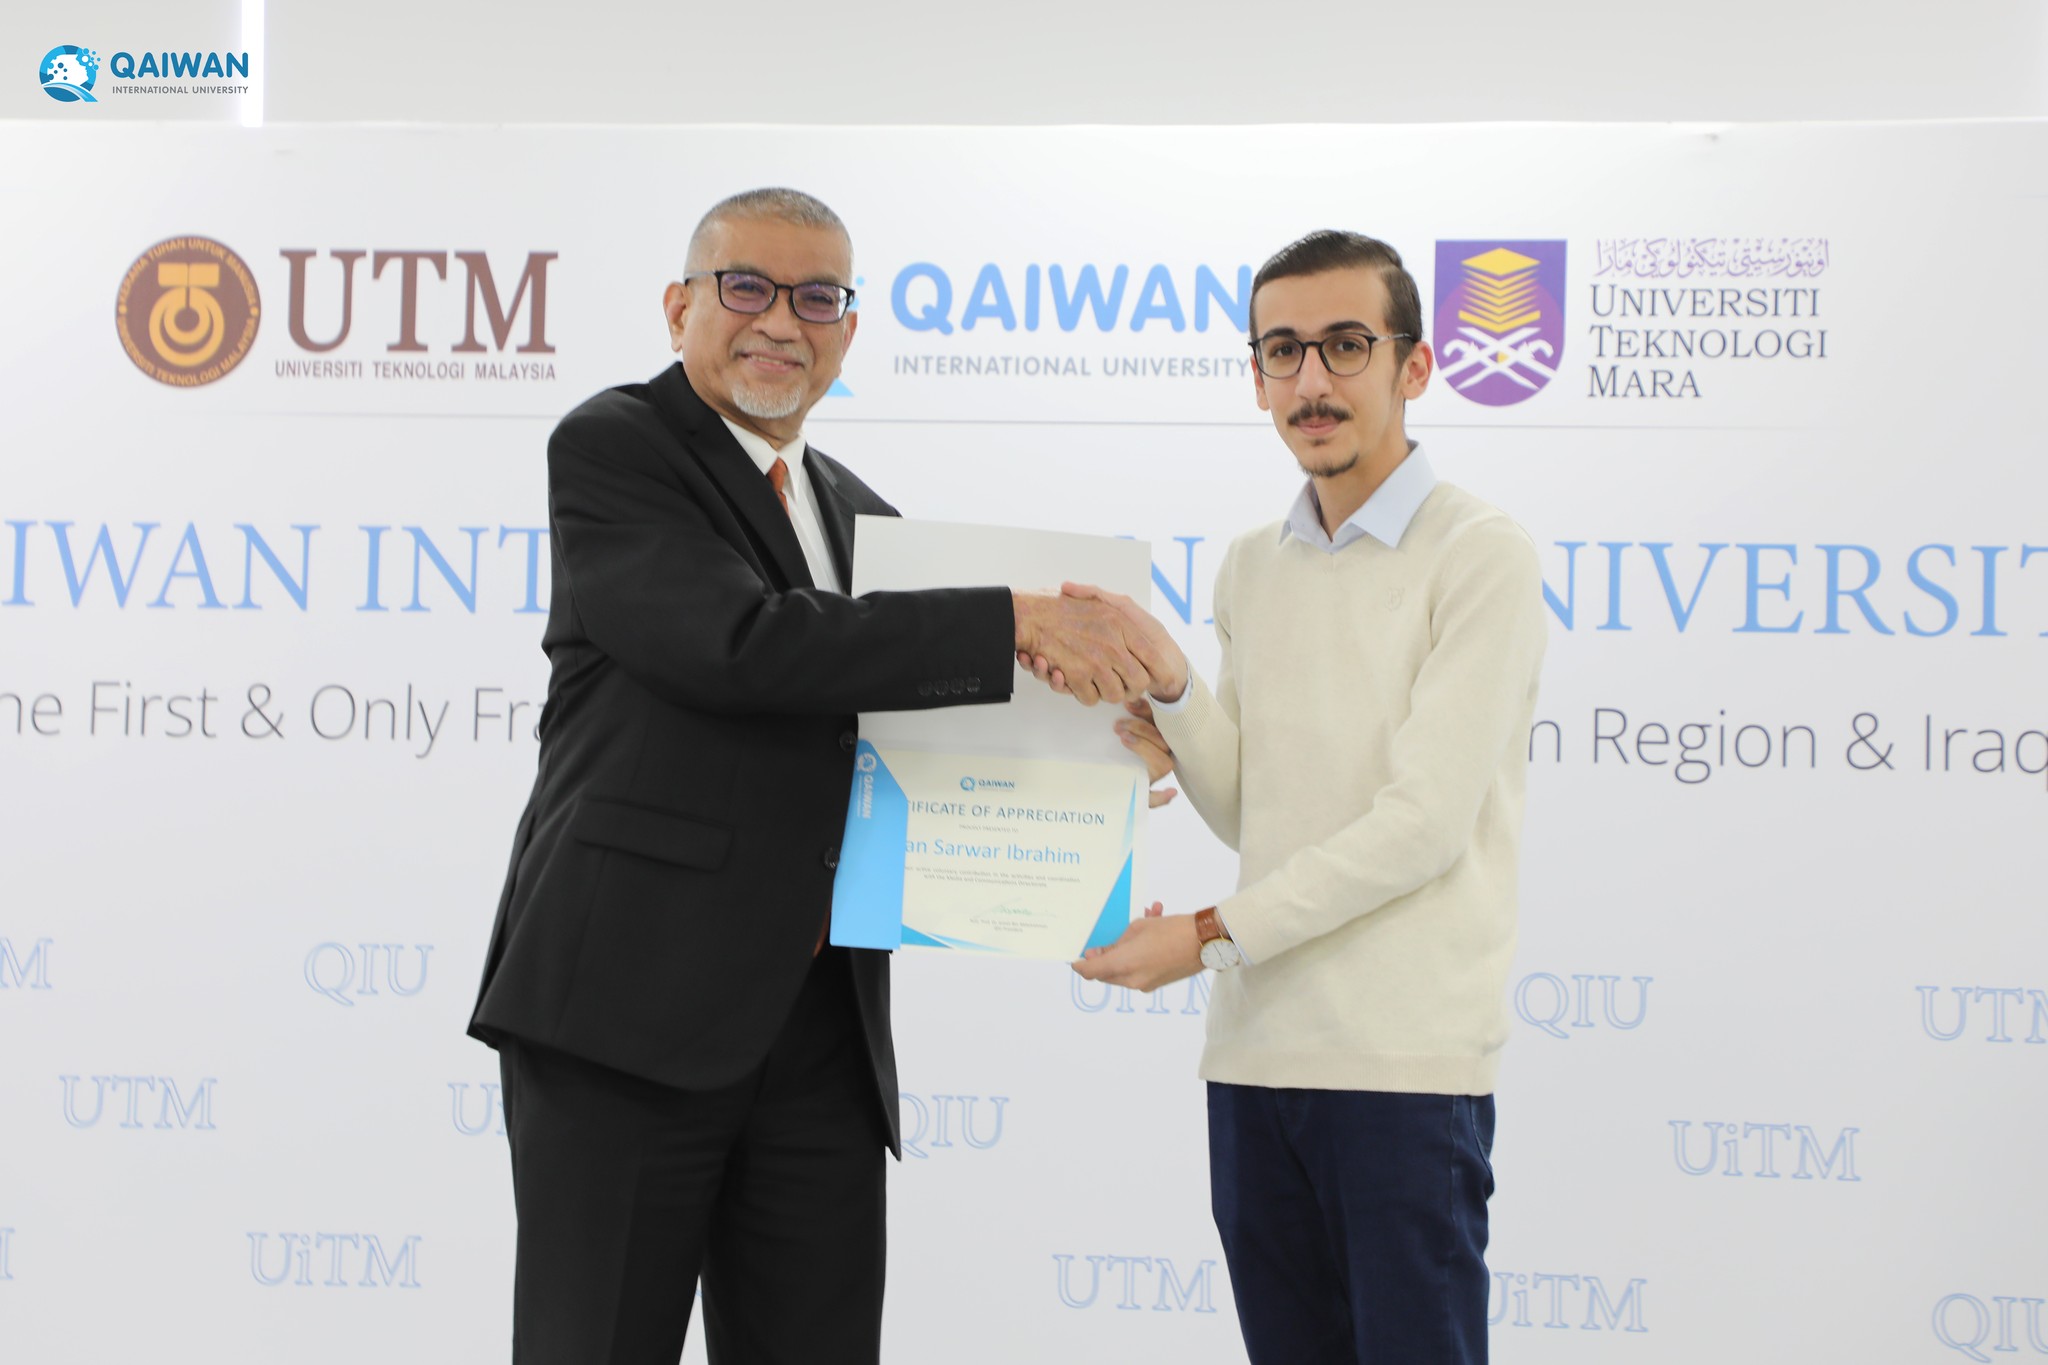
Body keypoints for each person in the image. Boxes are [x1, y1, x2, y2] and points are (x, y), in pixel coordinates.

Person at [466, 186, 1154, 1365]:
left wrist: (1096, 764)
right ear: (679, 306)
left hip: (822, 1035)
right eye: (746, 287)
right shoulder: (618, 446)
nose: (782, 320)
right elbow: (739, 647)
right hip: (625, 1013)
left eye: (818, 297)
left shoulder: (861, 516)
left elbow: (908, 726)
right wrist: (1012, 620)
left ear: (848, 329)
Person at [1059, 230, 1548, 1365]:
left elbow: (1420, 829)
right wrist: (1172, 687)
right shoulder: (1251, 565)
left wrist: (1205, 935)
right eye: (1283, 351)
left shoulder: (1480, 554)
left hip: (1400, 1069)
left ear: (1414, 365)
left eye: (1344, 345)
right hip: (1254, 1057)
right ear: (1256, 377)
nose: (1311, 380)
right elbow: (1253, 811)